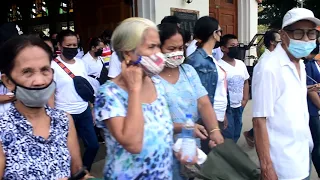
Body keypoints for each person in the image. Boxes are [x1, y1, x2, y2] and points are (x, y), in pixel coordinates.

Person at [94, 17, 179, 179]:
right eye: (151, 47)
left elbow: (157, 129)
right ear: (128, 53)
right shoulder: (109, 94)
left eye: (158, 46)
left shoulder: (156, 84)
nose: (158, 53)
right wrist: (134, 90)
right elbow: (133, 144)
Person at [0, 35, 86, 179]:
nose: (39, 81)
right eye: (27, 72)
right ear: (8, 81)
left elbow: (77, 171)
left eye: (45, 70)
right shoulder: (3, 129)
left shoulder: (63, 120)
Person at [252, 8, 320, 180]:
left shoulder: (301, 65)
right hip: (282, 165)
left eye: (311, 33)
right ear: (283, 35)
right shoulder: (269, 68)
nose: (306, 39)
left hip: (302, 155)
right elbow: (260, 120)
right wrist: (267, 167)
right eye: (298, 33)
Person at [155, 23, 224, 180]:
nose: (177, 53)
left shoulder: (188, 71)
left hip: (190, 149)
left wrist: (214, 131)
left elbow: (203, 103)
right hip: (162, 152)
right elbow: (147, 123)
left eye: (180, 48)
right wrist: (184, 128)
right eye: (171, 49)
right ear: (157, 49)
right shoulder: (150, 79)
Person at [49, 30, 99, 171]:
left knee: (93, 145)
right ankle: (71, 173)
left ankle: (84, 171)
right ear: (59, 46)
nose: (72, 48)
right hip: (64, 113)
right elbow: (51, 94)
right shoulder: (52, 67)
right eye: (68, 45)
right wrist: (52, 116)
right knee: (69, 149)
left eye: (74, 45)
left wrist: (91, 108)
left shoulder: (81, 63)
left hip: (84, 111)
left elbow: (85, 88)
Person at [186, 16, 227, 154]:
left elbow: (218, 89)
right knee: (209, 163)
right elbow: (196, 96)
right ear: (214, 33)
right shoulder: (196, 60)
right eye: (220, 31)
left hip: (218, 117)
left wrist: (223, 114)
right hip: (207, 120)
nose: (221, 34)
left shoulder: (212, 58)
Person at [243, 30, 281, 147]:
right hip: (269, 102)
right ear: (272, 42)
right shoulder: (265, 63)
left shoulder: (276, 58)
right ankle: (251, 135)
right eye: (279, 41)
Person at [218, 34, 250, 143]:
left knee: (237, 132)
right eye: (232, 45)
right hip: (227, 108)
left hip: (239, 106)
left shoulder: (241, 64)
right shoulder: (219, 65)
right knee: (228, 134)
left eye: (237, 45)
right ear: (223, 48)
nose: (236, 48)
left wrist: (245, 99)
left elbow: (245, 81)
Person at [304, 44, 320, 179]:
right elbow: (311, 92)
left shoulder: (312, 61)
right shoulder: (306, 63)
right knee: (316, 145)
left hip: (313, 109)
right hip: (310, 110)